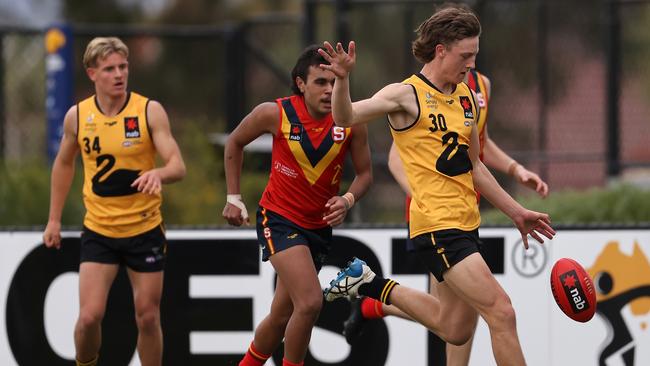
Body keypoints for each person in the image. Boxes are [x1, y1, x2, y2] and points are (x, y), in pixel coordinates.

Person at [319, 5, 555, 366]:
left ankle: (369, 284)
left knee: (455, 329)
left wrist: (516, 212)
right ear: (441, 49)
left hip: (466, 221)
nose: (472, 65)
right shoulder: (405, 94)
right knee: (502, 313)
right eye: (466, 55)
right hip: (436, 225)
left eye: (475, 55)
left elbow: (475, 165)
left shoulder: (464, 98)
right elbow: (344, 116)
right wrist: (343, 79)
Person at [222, 45, 372, 366]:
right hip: (278, 218)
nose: (329, 89)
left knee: (280, 317)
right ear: (300, 83)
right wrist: (233, 198)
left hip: (317, 228)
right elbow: (234, 142)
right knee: (310, 302)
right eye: (320, 82)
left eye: (334, 82)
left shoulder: (352, 120)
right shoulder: (275, 113)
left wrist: (347, 199)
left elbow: (365, 175)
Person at [42, 37, 186, 366]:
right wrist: (54, 219)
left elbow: (178, 165)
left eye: (123, 67)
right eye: (109, 69)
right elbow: (64, 164)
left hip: (144, 228)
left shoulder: (149, 110)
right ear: (92, 73)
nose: (119, 74)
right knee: (89, 318)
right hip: (100, 231)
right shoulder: (77, 117)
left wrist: (159, 175)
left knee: (147, 317)